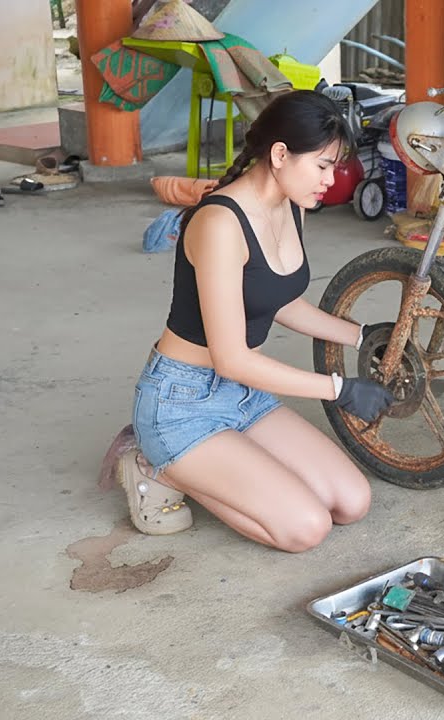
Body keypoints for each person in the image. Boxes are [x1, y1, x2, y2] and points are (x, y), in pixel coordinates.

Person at [116, 90, 394, 551]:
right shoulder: (220, 224)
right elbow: (231, 360)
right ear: (280, 154)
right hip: (182, 403)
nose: (333, 179)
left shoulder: (292, 205)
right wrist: (339, 388)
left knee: (351, 502)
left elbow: (274, 299)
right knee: (307, 529)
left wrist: (361, 335)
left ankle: (229, 464)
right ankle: (151, 463)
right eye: (323, 165)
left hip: (244, 396)